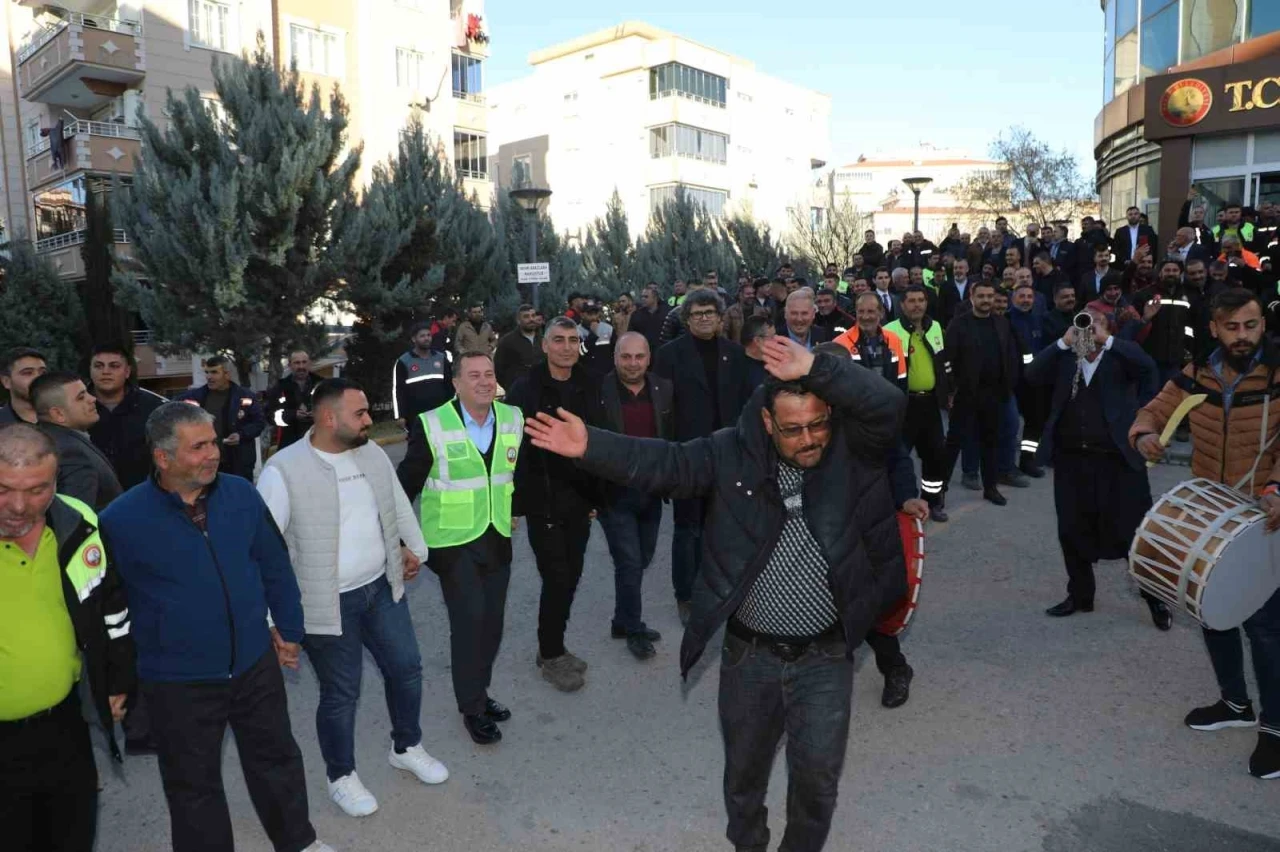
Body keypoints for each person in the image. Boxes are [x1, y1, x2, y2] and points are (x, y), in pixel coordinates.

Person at [523, 337, 907, 852]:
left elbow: (889, 403)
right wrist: (592, 446)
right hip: (751, 656)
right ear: (768, 424)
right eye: (793, 430)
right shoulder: (731, 453)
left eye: (818, 424)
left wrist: (817, 365)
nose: (809, 438)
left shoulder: (853, 448)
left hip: (827, 655)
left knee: (817, 785)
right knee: (744, 780)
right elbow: (668, 463)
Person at [100, 402, 334, 852]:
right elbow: (110, 609)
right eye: (198, 447)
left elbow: (273, 563)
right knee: (193, 787)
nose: (212, 454)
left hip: (253, 664)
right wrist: (117, 680)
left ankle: (298, 841)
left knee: (277, 760)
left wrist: (290, 628)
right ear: (162, 458)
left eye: (212, 442)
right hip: (177, 682)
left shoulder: (242, 494)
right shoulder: (120, 521)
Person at [258, 378, 443, 817]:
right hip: (326, 605)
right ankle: (341, 776)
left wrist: (412, 549)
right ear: (328, 418)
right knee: (342, 694)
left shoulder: (372, 453)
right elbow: (264, 550)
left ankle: (406, 746)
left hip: (381, 589)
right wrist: (272, 622)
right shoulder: (283, 471)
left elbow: (394, 505)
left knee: (407, 668)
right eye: (359, 414)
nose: (368, 421)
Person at [1131, 288, 1280, 779]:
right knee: (1213, 614)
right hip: (1213, 515)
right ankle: (1234, 703)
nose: (1243, 336)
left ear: (1262, 325)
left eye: (1251, 325)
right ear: (1215, 328)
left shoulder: (1277, 373)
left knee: (1265, 629)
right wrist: (1144, 433)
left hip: (1265, 516)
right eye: (1233, 327)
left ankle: (1276, 729)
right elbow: (1154, 408)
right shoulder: (1198, 372)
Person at [0, 423, 134, 852]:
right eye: (3, 488)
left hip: (64, 726)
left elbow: (110, 604)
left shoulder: (79, 522)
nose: (18, 506)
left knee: (71, 836)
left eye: (37, 490)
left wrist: (115, 680)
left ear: (56, 481)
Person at [397, 351, 521, 745]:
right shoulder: (432, 424)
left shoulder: (513, 418)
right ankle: (472, 707)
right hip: (452, 543)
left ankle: (479, 693)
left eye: (489, 374)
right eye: (474, 376)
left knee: (493, 625)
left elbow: (523, 472)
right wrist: (401, 541)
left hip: (497, 535)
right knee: (470, 622)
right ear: (456, 384)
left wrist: (518, 509)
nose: (484, 382)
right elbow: (405, 486)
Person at [1025, 307, 1173, 627]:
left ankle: (1155, 600)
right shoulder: (1067, 356)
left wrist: (1107, 341)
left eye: (1097, 324)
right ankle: (1080, 595)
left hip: (1118, 460)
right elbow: (1031, 375)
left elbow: (1148, 368)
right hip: (1072, 459)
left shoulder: (1121, 355)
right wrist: (1064, 342)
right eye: (1084, 324)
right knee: (1071, 530)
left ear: (1109, 329)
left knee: (1135, 533)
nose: (1089, 331)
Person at [506, 318, 603, 692]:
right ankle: (550, 653)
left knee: (572, 576)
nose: (565, 347)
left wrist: (598, 496)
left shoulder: (591, 383)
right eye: (558, 340)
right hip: (541, 499)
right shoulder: (525, 387)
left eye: (572, 340)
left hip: (580, 499)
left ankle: (554, 646)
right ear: (545, 346)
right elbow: (510, 446)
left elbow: (601, 441)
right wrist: (515, 501)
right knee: (557, 577)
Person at [653, 290, 754, 626]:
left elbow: (744, 406)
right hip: (687, 456)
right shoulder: (668, 356)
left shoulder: (735, 354)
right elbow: (662, 414)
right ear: (687, 319)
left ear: (721, 316)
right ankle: (686, 594)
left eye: (710, 312)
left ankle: (723, 589)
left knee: (725, 528)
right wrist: (666, 462)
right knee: (688, 530)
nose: (705, 318)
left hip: (727, 455)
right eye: (697, 314)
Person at [596, 333, 673, 660]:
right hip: (614, 492)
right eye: (626, 357)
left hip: (651, 490)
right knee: (628, 562)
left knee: (641, 557)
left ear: (648, 358)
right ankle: (634, 628)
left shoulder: (663, 389)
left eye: (639, 357)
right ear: (615, 357)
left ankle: (621, 619)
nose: (632, 363)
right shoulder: (600, 391)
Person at [944, 281, 1021, 506]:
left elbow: (1011, 355)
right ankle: (938, 493)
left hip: (995, 395)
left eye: (990, 296)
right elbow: (947, 361)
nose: (986, 300)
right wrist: (951, 390)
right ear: (972, 297)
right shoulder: (958, 325)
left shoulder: (1002, 323)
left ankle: (990, 488)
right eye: (981, 296)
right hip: (965, 395)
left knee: (991, 444)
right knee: (953, 444)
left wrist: (1009, 384)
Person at [886, 286, 952, 522]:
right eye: (911, 301)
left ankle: (933, 501)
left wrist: (949, 392)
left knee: (935, 455)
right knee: (897, 456)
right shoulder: (890, 331)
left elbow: (944, 362)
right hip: (903, 406)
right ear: (902, 305)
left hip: (930, 403)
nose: (917, 305)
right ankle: (899, 502)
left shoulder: (935, 327)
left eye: (921, 300)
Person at [31, 372, 122, 511]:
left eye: (87, 393)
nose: (92, 399)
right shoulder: (70, 452)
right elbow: (75, 519)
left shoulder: (44, 440)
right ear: (58, 414)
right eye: (81, 397)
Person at [88, 343, 166, 490]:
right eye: (98, 366)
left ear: (127, 371)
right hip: (93, 499)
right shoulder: (75, 406)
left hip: (143, 495)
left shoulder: (154, 407)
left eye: (114, 366)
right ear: (90, 370)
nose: (106, 372)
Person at [179, 355, 265, 480]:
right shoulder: (195, 396)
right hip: (206, 462)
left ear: (227, 374)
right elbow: (174, 414)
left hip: (239, 463)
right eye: (207, 372)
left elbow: (259, 422)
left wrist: (241, 435)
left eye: (214, 372)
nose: (209, 377)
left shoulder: (245, 396)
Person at [1131, 259, 1200, 387]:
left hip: (1177, 359)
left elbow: (1194, 324)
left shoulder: (1190, 295)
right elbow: (1134, 324)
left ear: (1180, 273)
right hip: (1151, 356)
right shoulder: (1144, 295)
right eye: (1167, 270)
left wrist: (1189, 348)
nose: (1171, 273)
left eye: (1175, 270)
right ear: (1160, 273)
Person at [1007, 282, 1050, 477]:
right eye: (1021, 296)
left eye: (1029, 297)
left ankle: (1027, 460)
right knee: (1010, 424)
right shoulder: (1006, 320)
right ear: (1013, 298)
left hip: (1034, 381)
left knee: (1034, 423)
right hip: (1011, 381)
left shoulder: (1039, 319)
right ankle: (1006, 465)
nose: (1026, 300)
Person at [832, 293, 907, 391]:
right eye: (861, 311)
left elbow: (901, 379)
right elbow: (836, 387)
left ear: (881, 313)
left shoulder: (893, 339)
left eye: (870, 311)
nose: (865, 317)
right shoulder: (839, 343)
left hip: (888, 404)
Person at [393, 320, 453, 424]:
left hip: (441, 413)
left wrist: (453, 407)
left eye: (429, 335)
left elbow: (450, 386)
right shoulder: (403, 361)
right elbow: (398, 390)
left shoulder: (441, 358)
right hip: (415, 416)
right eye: (422, 336)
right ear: (414, 339)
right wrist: (400, 416)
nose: (426, 338)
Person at [268, 350, 323, 450]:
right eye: (297, 363)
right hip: (290, 444)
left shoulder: (323, 385)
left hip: (319, 443)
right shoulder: (280, 387)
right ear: (290, 365)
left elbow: (334, 411)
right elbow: (271, 416)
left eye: (304, 362)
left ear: (309, 363)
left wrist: (318, 414)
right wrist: (293, 414)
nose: (301, 366)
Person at [493, 303, 542, 392]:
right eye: (526, 316)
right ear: (518, 320)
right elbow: (498, 369)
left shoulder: (544, 340)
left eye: (533, 316)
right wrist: (511, 388)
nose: (531, 319)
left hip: (542, 391)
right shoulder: (507, 341)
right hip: (517, 394)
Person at [0, 346, 47, 426]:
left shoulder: (66, 419)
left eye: (42, 373)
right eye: (28, 373)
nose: (38, 378)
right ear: (6, 381)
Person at [742, 314, 776, 389]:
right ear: (757, 341)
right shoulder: (738, 370)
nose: (776, 340)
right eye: (772, 337)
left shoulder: (775, 364)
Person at [937, 258, 973, 326]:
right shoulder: (945, 286)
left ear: (967, 269)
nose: (958, 270)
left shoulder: (973, 285)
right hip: (951, 324)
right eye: (955, 268)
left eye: (960, 268)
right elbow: (940, 309)